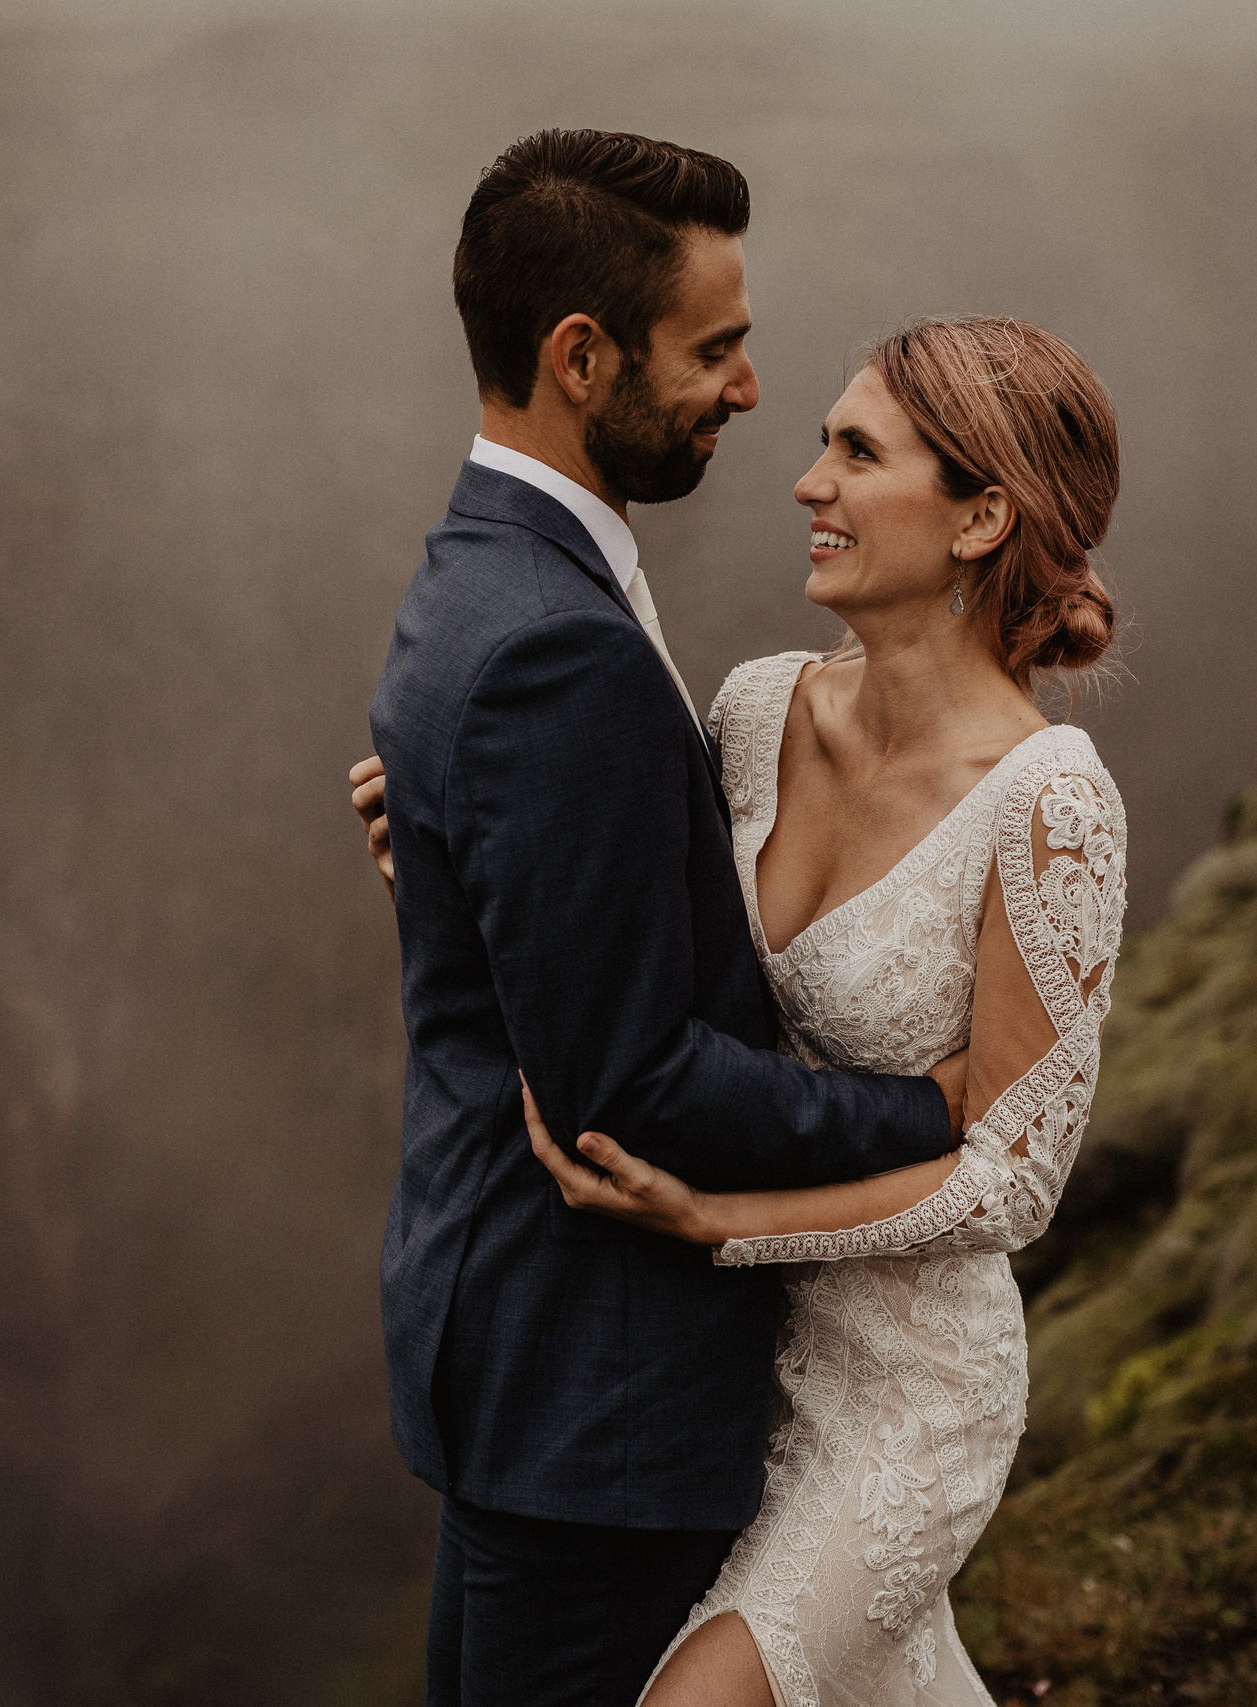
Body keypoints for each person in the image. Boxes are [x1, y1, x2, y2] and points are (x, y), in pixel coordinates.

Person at [361, 314, 1127, 1704]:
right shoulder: (756, 711)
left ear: (982, 518)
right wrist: (459, 843)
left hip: (903, 1395)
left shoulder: (1053, 802)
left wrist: (725, 1225)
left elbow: (1014, 1182)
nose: (807, 480)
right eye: (825, 443)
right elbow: (634, 954)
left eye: (859, 453)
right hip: (721, 1369)